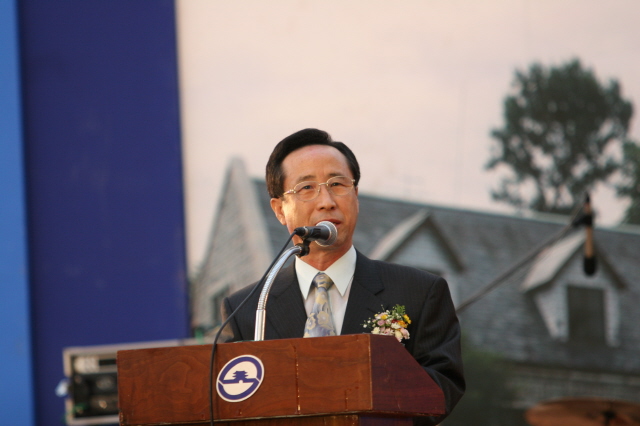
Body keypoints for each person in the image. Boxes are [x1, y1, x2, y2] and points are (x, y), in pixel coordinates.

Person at [223, 128, 464, 425]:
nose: (326, 201)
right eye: (306, 188)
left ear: (356, 196)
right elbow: (229, 403)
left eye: (337, 184)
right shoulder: (247, 309)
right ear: (279, 210)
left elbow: (441, 389)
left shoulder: (419, 292)